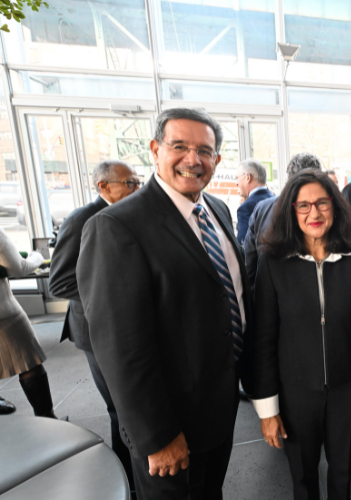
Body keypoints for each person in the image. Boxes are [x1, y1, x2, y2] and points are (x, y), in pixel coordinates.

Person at [77, 108, 251, 500]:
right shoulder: (117, 227)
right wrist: (156, 435)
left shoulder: (217, 210)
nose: (193, 159)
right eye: (180, 146)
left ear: (217, 160)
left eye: (204, 150)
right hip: (170, 424)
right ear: (156, 150)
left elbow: (228, 295)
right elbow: (121, 347)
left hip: (217, 407)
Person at [251, 169, 351, 500]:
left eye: (322, 203)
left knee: (342, 476)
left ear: (335, 207)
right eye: (304, 206)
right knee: (303, 480)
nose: (314, 213)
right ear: (291, 211)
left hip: (348, 390)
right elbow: (263, 340)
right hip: (295, 394)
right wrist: (267, 409)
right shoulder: (273, 263)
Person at [49, 159, 141, 490]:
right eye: (128, 183)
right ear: (103, 186)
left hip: (127, 328)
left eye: (137, 182)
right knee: (120, 408)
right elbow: (58, 283)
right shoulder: (81, 220)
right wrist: (112, 296)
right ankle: (127, 481)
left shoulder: (128, 216)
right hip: (96, 330)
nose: (136, 188)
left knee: (132, 404)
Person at [0, 229, 65, 420]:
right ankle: (47, 420)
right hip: (4, 315)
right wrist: (37, 256)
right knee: (29, 363)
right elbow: (18, 268)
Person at [243, 152, 322, 294]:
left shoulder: (262, 209)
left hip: (266, 298)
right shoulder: (321, 213)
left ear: (288, 178)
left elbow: (249, 265)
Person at [236, 159, 274, 245]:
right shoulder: (278, 201)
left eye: (237, 178)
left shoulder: (245, 208)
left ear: (248, 177)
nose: (236, 183)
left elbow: (244, 245)